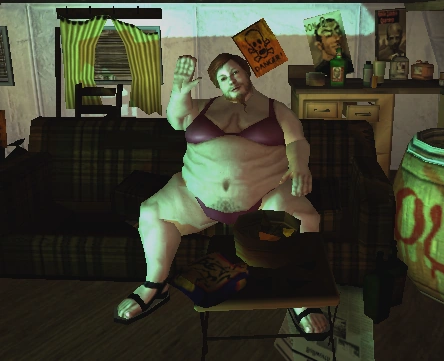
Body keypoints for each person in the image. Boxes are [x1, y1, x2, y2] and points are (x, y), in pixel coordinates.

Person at [115, 53, 330, 336]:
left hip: (263, 201)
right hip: (196, 197)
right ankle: (155, 284)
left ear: (247, 72)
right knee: (152, 211)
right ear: (217, 84)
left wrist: (300, 167)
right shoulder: (201, 107)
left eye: (235, 72)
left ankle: (301, 296)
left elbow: (297, 141)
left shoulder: (276, 110)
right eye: (223, 78)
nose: (232, 80)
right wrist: (179, 90)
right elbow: (176, 120)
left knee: (303, 216)